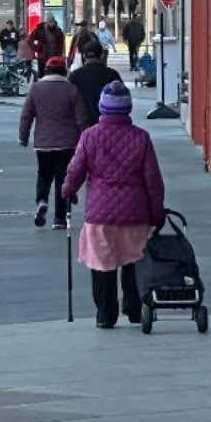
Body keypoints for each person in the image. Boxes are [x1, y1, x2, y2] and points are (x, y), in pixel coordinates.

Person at [62, 76, 166, 329]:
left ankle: (105, 314)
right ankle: (133, 308)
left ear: (102, 107)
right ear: (127, 108)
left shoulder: (90, 136)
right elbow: (153, 179)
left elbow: (75, 170)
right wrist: (157, 212)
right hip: (134, 212)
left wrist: (68, 190)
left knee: (102, 264)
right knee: (132, 261)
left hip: (100, 214)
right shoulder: (141, 138)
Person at [17, 54, 84, 229]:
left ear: (46, 70)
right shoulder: (72, 89)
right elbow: (81, 119)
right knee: (63, 179)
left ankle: (41, 201)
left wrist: (23, 137)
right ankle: (59, 219)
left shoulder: (36, 88)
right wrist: (85, 139)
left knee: (44, 175)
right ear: (64, 71)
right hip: (67, 143)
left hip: (43, 142)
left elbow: (26, 115)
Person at [69, 31, 120, 131]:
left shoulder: (75, 76)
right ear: (102, 55)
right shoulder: (112, 75)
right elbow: (122, 100)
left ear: (84, 56)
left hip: (82, 127)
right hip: (109, 126)